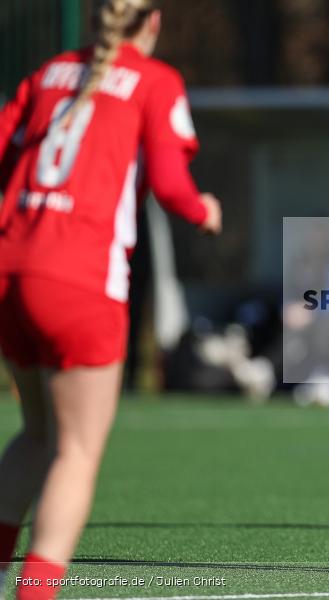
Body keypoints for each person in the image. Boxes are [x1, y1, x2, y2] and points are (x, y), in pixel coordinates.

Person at [0, 2, 222, 599]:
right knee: (74, 451)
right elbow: (172, 187)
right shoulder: (155, 80)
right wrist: (204, 210)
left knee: (36, 433)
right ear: (153, 21)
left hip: (10, 271)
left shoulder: (47, 73)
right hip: (78, 280)